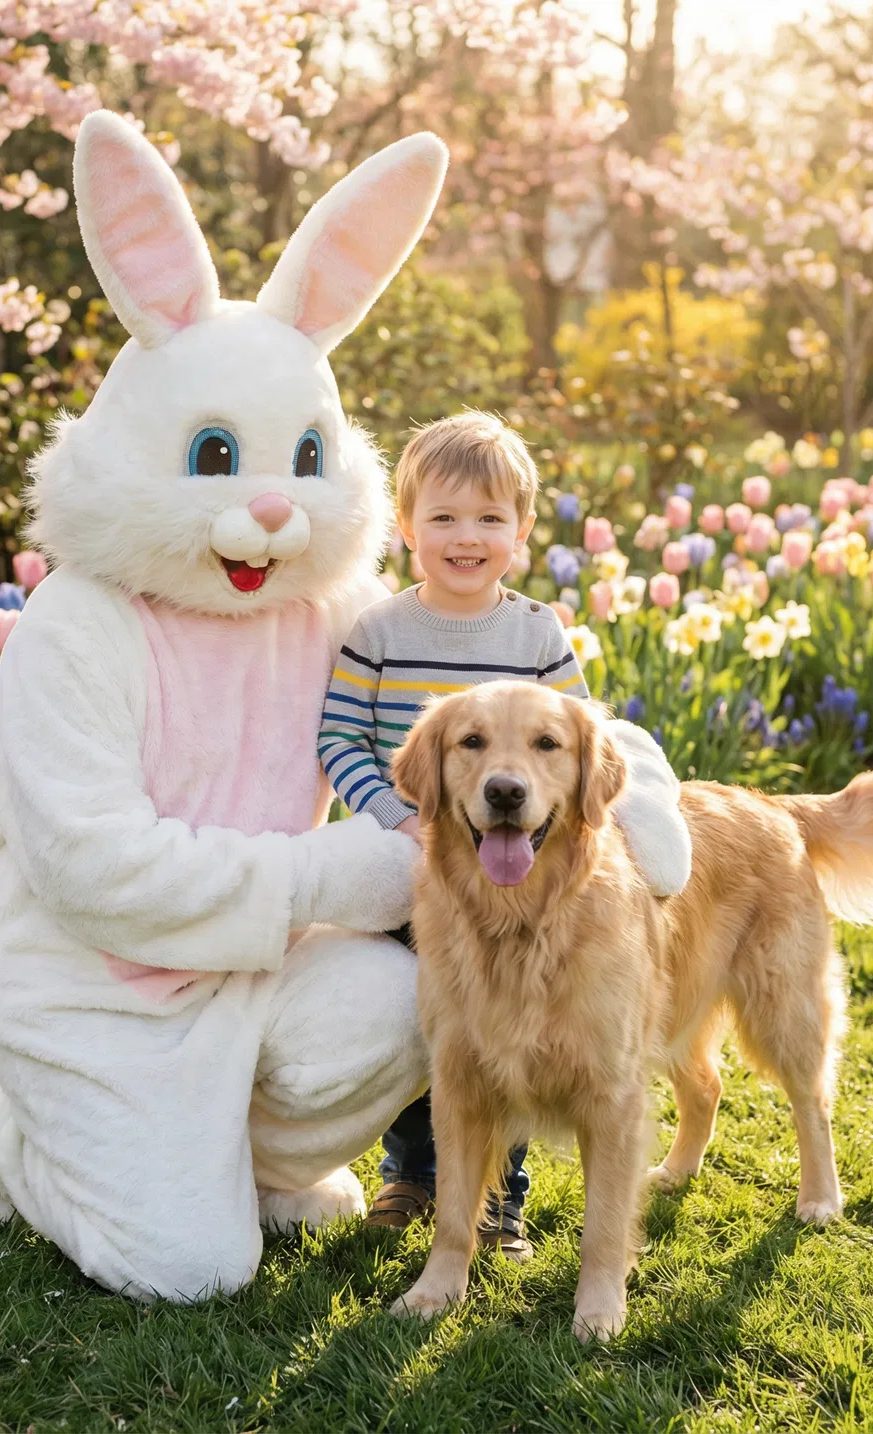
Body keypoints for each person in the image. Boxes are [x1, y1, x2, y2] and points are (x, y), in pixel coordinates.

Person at [318, 410, 692, 1262]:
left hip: (529, 864)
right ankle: (413, 1172)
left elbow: (584, 743)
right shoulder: (377, 632)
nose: (466, 537)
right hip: (420, 859)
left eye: (490, 518)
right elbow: (338, 735)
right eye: (444, 517)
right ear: (407, 527)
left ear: (521, 532)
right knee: (436, 1034)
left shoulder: (538, 632)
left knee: (523, 1028)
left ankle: (503, 1201)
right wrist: (396, 815)